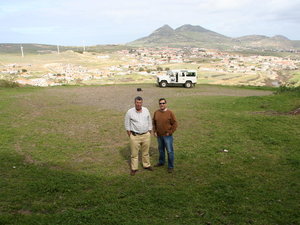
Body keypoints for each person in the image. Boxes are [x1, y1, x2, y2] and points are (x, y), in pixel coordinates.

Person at [125, 96, 153, 176]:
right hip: (135, 136)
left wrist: (149, 131)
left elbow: (149, 121)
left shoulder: (146, 110)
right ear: (134, 103)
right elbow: (127, 125)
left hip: (146, 135)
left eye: (140, 103)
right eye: (137, 102)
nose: (138, 104)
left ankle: (146, 165)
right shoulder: (130, 112)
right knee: (134, 154)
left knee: (145, 152)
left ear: (142, 103)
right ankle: (134, 168)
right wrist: (130, 135)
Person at [153, 98, 177, 173]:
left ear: (166, 104)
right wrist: (155, 131)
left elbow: (175, 123)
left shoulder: (170, 113)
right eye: (160, 103)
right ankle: (161, 162)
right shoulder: (156, 112)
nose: (162, 105)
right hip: (159, 135)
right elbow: (154, 122)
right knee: (161, 150)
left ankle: (170, 166)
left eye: (163, 103)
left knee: (169, 151)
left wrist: (170, 132)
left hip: (167, 136)